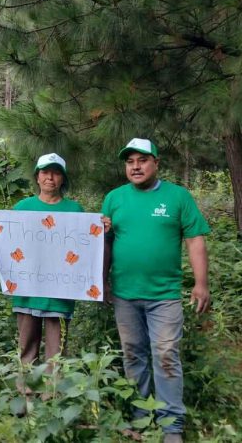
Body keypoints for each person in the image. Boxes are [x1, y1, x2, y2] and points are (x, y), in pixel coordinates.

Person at [102, 138, 210, 443]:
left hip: (164, 295)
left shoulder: (178, 197)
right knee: (133, 354)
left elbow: (195, 241)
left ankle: (171, 425)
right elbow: (105, 244)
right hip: (124, 294)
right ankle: (141, 416)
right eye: (130, 161)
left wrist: (201, 284)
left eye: (142, 160)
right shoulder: (114, 198)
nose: (135, 166)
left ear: (156, 163)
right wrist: (102, 280)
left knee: (165, 355)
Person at [11, 154, 85, 376]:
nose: (50, 177)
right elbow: (8, 242)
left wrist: (101, 228)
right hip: (27, 291)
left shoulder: (76, 211)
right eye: (45, 172)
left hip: (59, 294)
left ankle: (52, 398)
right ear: (37, 176)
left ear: (63, 178)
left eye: (56, 172)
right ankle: (26, 396)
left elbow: (85, 247)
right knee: (26, 347)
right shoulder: (22, 208)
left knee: (56, 352)